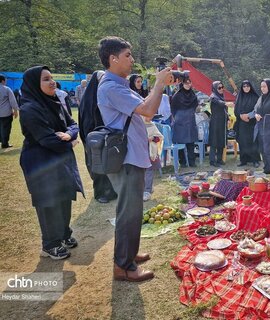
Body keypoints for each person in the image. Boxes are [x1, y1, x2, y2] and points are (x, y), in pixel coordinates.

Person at [97, 36, 174, 282]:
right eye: (127, 55)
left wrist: (158, 85)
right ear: (113, 59)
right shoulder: (111, 87)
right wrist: (160, 84)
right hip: (127, 159)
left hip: (132, 155)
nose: (132, 60)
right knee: (128, 212)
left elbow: (145, 108)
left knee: (132, 210)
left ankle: (128, 253)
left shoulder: (118, 84)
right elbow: (149, 111)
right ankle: (123, 266)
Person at [19, 66, 84, 260]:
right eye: (46, 79)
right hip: (40, 162)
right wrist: (71, 141)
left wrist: (68, 134)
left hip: (60, 159)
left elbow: (73, 124)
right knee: (48, 201)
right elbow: (47, 140)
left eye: (51, 78)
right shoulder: (29, 108)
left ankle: (64, 234)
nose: (52, 82)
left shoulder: (55, 101)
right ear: (34, 84)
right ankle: (50, 244)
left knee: (64, 195)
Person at [78, 70, 117, 204]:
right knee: (98, 165)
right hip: (94, 139)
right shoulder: (88, 99)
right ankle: (100, 193)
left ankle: (112, 191)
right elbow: (86, 121)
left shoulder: (106, 94)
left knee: (110, 163)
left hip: (108, 136)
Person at [171, 78, 198, 167]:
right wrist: (178, 118)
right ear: (182, 84)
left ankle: (192, 162)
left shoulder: (192, 94)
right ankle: (182, 162)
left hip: (190, 120)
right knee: (181, 142)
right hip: (180, 122)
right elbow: (173, 109)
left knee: (191, 142)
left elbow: (195, 106)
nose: (188, 85)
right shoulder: (177, 96)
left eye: (190, 83)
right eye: (186, 83)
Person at [235, 80, 260, 168]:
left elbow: (258, 109)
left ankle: (255, 160)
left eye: (247, 86)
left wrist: (249, 116)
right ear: (242, 88)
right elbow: (236, 109)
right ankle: (243, 160)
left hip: (252, 123)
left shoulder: (255, 97)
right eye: (244, 86)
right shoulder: (240, 96)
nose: (246, 88)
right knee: (243, 142)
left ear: (250, 87)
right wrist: (241, 116)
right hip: (242, 123)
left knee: (253, 141)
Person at [208, 81, 234, 167]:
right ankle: (212, 161)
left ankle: (219, 160)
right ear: (215, 88)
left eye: (222, 87)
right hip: (215, 122)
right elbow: (219, 103)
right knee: (214, 141)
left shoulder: (221, 97)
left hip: (222, 122)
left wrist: (227, 118)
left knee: (221, 141)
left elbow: (224, 110)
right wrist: (226, 103)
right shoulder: (213, 97)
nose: (221, 89)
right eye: (219, 87)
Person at [143, 117, 163, 201]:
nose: (148, 117)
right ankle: (147, 187)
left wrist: (152, 138)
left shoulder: (152, 125)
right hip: (141, 150)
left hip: (151, 151)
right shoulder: (138, 125)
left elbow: (159, 137)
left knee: (149, 170)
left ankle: (147, 190)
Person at [0, 74, 19, 148]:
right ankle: (5, 143)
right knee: (6, 128)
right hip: (5, 113)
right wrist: (15, 110)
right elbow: (12, 101)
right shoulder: (7, 89)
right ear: (2, 80)